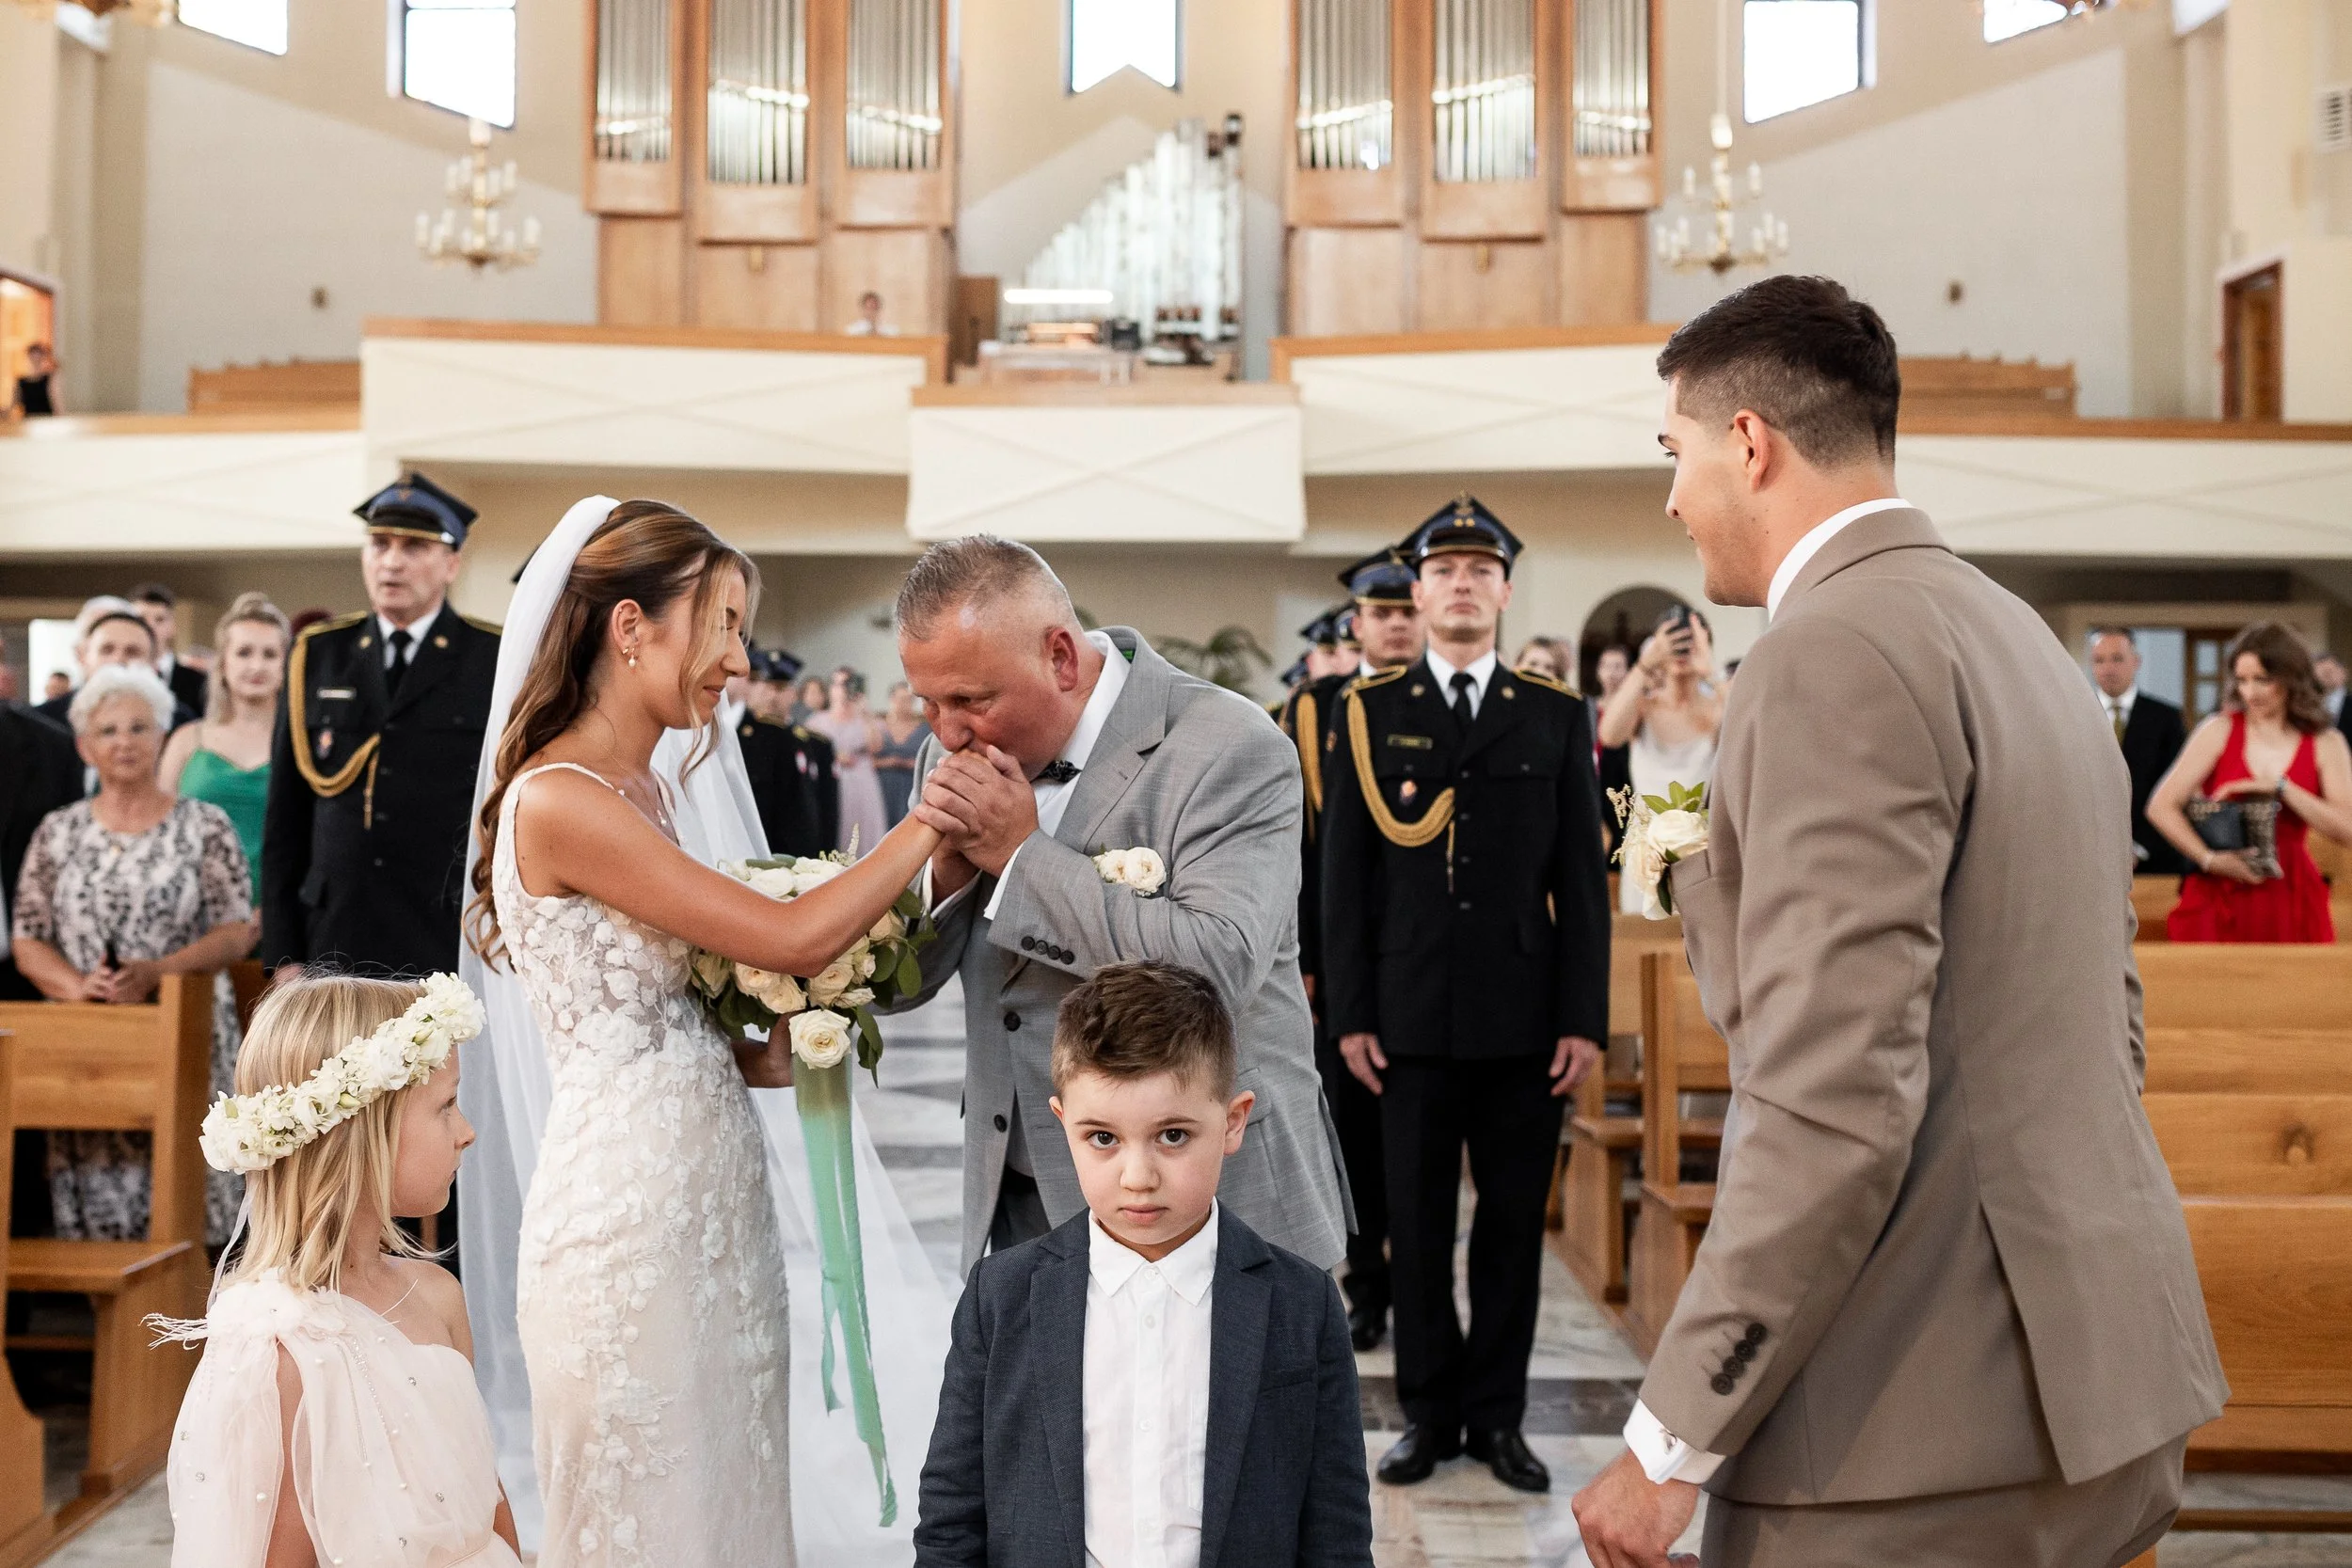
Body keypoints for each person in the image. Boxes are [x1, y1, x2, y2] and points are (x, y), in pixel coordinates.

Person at [1569, 275, 2224, 1568]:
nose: (1672, 496)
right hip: (2098, 1377)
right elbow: (2109, 1017)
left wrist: (1670, 1437)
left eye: (1676, 452)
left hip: (1912, 1431)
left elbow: (1832, 1095)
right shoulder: (2020, 636)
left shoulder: (1832, 651)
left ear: (1747, 441)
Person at [468, 498, 960, 1568]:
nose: (737, 659)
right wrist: (932, 813)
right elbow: (786, 934)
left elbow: (655, 1005)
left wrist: (759, 1047)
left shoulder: (646, 787)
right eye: (722, 622)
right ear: (630, 625)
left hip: (710, 1196)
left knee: (728, 1487)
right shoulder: (560, 798)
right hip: (628, 1215)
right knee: (650, 1506)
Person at [894, 535, 1350, 1277]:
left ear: (1062, 658)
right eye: (927, 702)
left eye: (973, 700)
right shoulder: (944, 757)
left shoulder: (1231, 745)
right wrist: (941, 878)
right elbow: (899, 990)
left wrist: (1020, 858)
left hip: (1216, 1193)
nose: (946, 732)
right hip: (1023, 1198)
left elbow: (1216, 964)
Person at [1320, 496, 1609, 1497]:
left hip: (1525, 1022)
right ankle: (1427, 1415)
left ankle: (1498, 1418)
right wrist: (1349, 1010)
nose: (1459, 584)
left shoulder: (1554, 714)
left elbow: (1581, 880)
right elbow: (1342, 877)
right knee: (1413, 1227)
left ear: (1503, 591)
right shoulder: (1368, 713)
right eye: (1442, 570)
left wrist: (1583, 1016)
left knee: (1510, 1230)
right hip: (1403, 1023)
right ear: (1418, 587)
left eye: (1479, 571)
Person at [913, 961, 1375, 1568]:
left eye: (1174, 1136)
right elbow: (952, 1515)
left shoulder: (1301, 1302)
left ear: (1232, 1121)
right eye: (1102, 1138)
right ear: (1062, 1127)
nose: (1139, 1178)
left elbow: (1336, 1529)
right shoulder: (1001, 1296)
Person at [158, 973, 521, 1567]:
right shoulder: (281, 1351)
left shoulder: (436, 1294)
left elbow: (484, 1488)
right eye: (446, 1106)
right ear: (361, 1132)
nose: (467, 1132)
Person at [10, 665, 255, 1245]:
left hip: (189, 1029)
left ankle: (197, 1323)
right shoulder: (57, 831)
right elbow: (27, 936)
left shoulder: (205, 825)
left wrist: (158, 972)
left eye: (140, 728)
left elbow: (235, 931)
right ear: (84, 746)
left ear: (163, 737)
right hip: (91, 1047)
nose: (124, 742)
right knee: (99, 1215)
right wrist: (77, 987)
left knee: (192, 1213)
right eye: (109, 730)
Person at [262, 473, 501, 982]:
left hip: (443, 932)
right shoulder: (319, 654)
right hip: (335, 930)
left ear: (452, 563)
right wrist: (284, 954)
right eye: (379, 544)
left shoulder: (491, 658)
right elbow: (286, 816)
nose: (391, 561)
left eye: (414, 546)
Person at [1279, 546, 1423, 1353]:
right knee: (1354, 1134)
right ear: (1358, 622)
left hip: (1421, 950)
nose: (1397, 624)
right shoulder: (1314, 707)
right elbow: (1298, 844)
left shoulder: (1443, 703)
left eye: (1408, 611)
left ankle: (1418, 1288)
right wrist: (1299, 952)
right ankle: (1366, 1281)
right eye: (1383, 612)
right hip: (1338, 953)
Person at [2151, 622, 2352, 943]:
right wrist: (2210, 859)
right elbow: (2160, 806)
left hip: (2292, 890)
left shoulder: (2327, 742)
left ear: (2290, 679)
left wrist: (2282, 788)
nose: (2250, 692)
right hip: (2220, 888)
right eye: (2242, 680)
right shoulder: (2218, 729)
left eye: (2263, 680)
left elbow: (2347, 829)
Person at [163, 593, 290, 907]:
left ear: (286, 665)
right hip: (193, 912)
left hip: (282, 913)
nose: (257, 665)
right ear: (222, 664)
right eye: (244, 653)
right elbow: (158, 834)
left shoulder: (301, 745)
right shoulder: (186, 740)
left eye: (270, 654)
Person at [1599, 606, 1723, 911]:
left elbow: (1748, 729)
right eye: (1673, 640)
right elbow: (1609, 734)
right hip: (1646, 857)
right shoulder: (1643, 706)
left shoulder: (1720, 705)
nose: (1681, 650)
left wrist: (1711, 671)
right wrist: (1645, 664)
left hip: (1704, 855)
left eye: (1689, 640)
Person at [2089, 626, 2187, 876]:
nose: (2108, 668)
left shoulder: (2166, 719)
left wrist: (2138, 848)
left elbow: (2175, 788)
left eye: (2117, 659)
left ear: (2136, 662)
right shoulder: (2077, 717)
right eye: (2099, 660)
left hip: (2155, 858)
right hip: (2089, 856)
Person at [731, 646, 839, 857]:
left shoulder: (815, 744)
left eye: (780, 688)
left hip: (794, 854)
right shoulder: (734, 736)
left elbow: (826, 811)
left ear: (793, 694)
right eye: (765, 686)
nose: (772, 696)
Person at [35, 595, 199, 734]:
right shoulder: (43, 721)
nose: (118, 660)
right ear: (84, 657)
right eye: (107, 650)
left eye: (132, 652)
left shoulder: (179, 722)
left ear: (153, 663)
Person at [806, 666, 890, 854]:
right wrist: (834, 756)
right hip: (832, 779)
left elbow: (876, 746)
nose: (842, 689)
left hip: (862, 779)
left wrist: (865, 711)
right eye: (838, 684)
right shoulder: (818, 720)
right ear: (831, 689)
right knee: (839, 823)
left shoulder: (865, 718)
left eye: (847, 684)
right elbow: (811, 752)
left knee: (865, 826)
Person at [130, 580, 211, 714]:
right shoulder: (116, 676)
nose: (150, 627)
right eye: (141, 619)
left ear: (172, 627)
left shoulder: (200, 683)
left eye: (160, 619)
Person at [876, 679, 933, 826]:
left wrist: (911, 764)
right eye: (901, 699)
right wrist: (888, 762)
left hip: (910, 784)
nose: (905, 704)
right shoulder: (878, 727)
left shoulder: (925, 728)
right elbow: (864, 759)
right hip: (882, 785)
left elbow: (932, 759)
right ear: (892, 699)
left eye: (909, 700)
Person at [12, 342, 56, 418]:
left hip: (46, 420)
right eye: (33, 355)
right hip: (28, 420)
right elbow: (14, 403)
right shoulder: (21, 381)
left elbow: (55, 400)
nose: (35, 359)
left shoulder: (49, 379)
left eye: (38, 356)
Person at [2316, 648, 2348, 735]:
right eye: (2319, 674)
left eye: (2328, 672)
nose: (2323, 678)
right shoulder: (2307, 703)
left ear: (2343, 673)